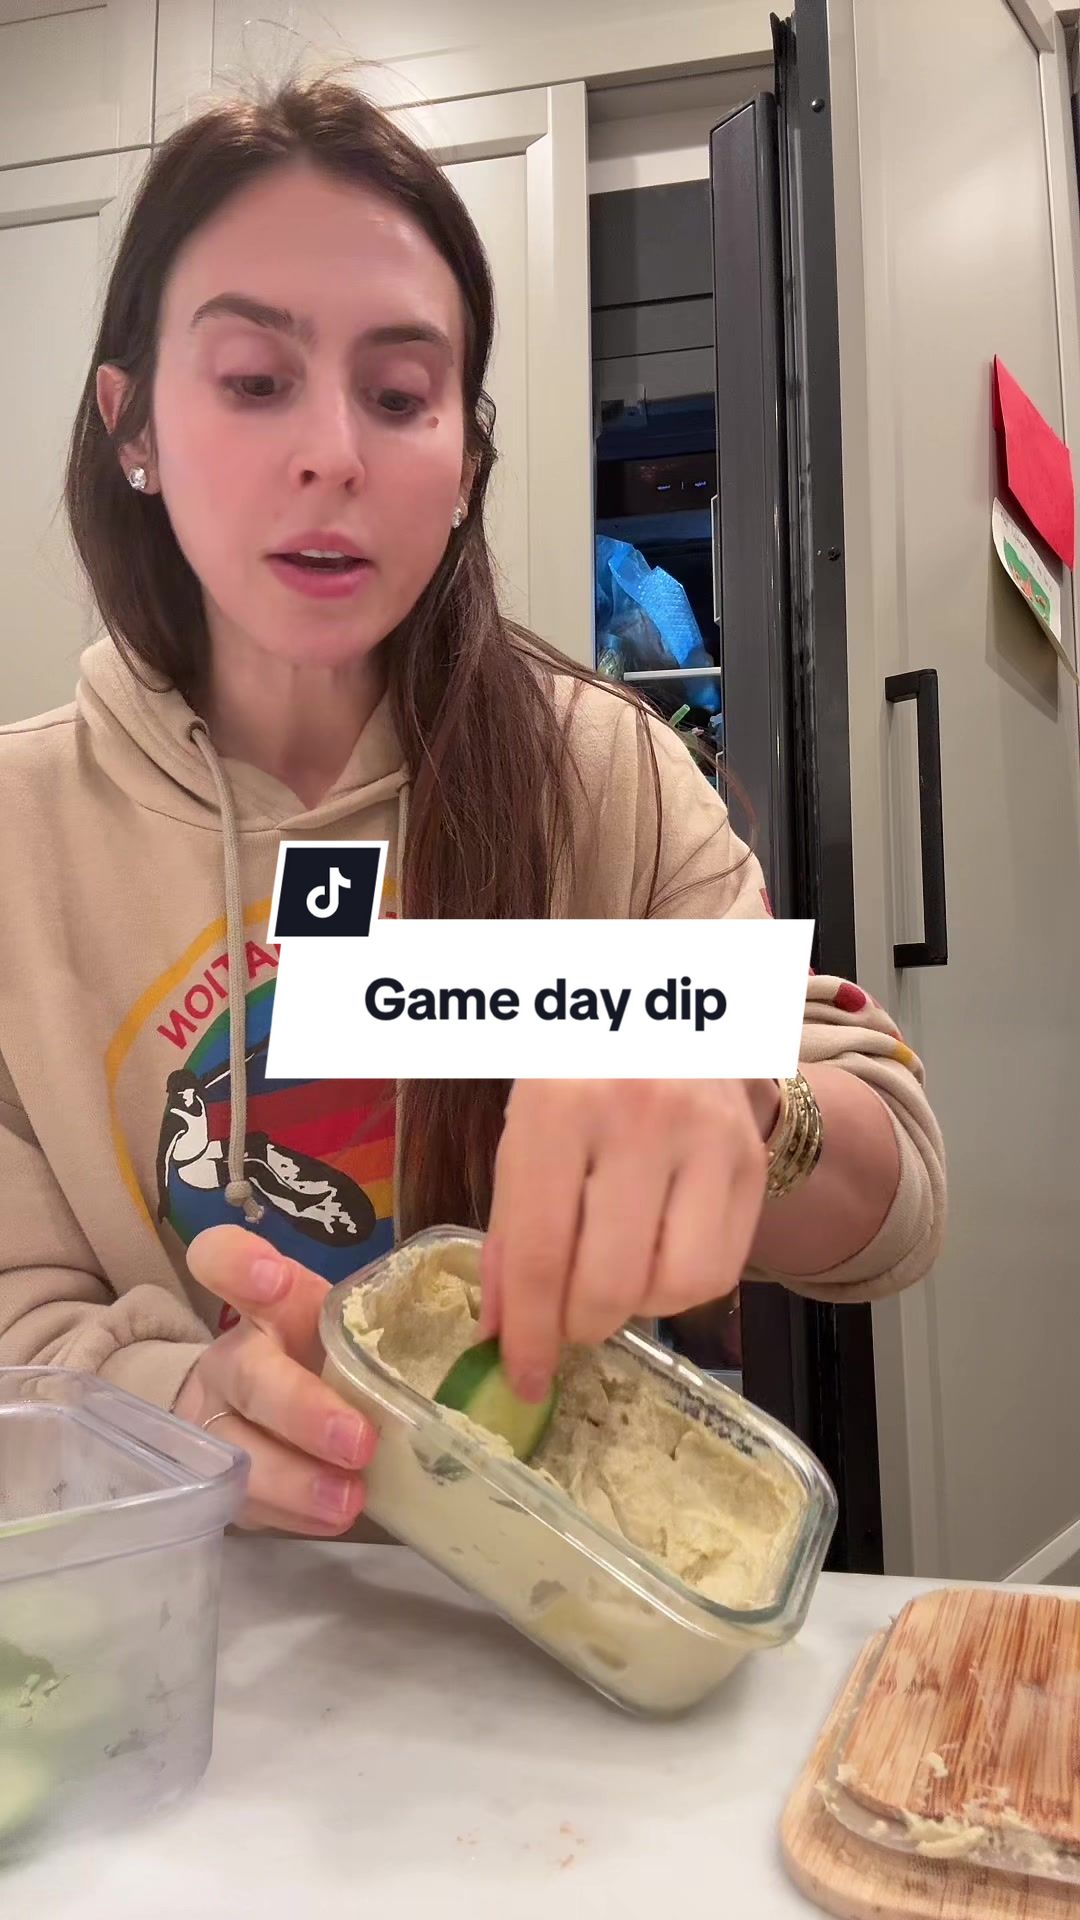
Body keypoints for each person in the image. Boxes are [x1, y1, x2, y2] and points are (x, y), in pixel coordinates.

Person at [0, 76, 945, 1541]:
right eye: (253, 380)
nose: (334, 453)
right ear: (132, 427)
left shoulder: (609, 772)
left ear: (465, 460)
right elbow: (19, 1331)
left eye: (399, 397)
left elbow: (898, 1206)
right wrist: (180, 1402)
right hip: (188, 1615)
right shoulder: (21, 831)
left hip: (565, 1602)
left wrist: (742, 1092)